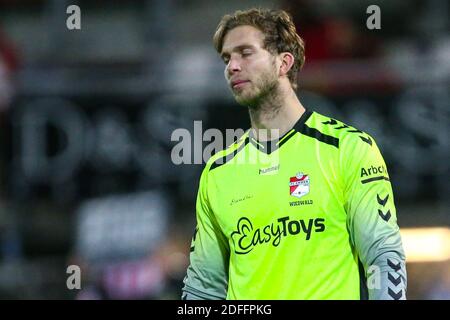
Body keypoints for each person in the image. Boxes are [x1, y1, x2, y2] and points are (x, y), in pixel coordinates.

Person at [182, 8, 406, 300]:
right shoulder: (217, 172)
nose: (232, 66)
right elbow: (202, 287)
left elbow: (383, 255)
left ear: (283, 62)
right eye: (227, 58)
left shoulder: (348, 148)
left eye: (245, 53)